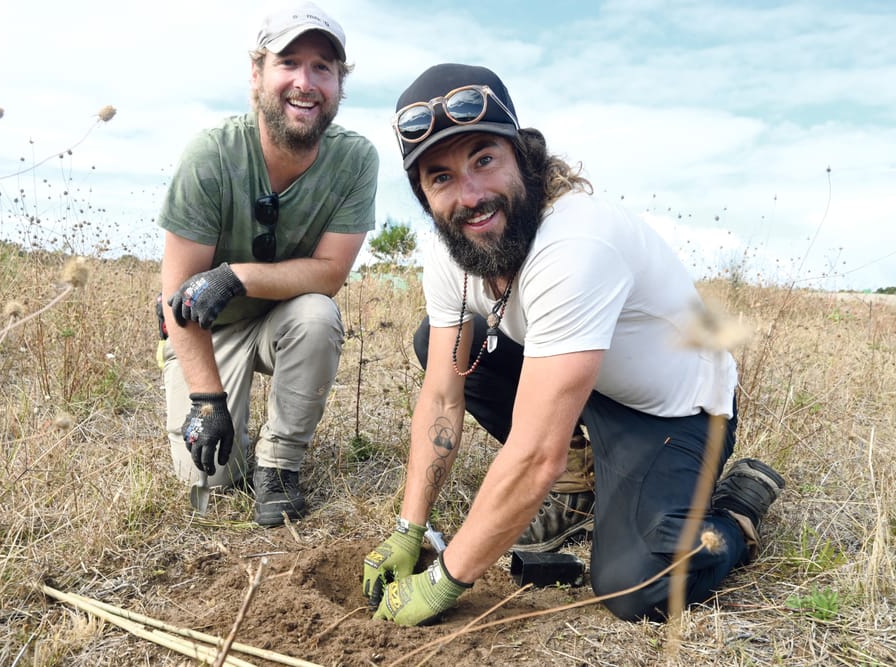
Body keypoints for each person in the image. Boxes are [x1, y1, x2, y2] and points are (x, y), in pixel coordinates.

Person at [362, 63, 784, 625]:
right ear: (422, 194)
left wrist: (445, 579)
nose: (471, 196)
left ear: (522, 156)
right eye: (441, 177)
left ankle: (735, 514)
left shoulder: (575, 242)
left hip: (671, 411)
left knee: (635, 588)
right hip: (581, 383)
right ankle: (583, 481)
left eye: (484, 160)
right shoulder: (450, 251)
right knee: (451, 348)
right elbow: (442, 395)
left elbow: (537, 453)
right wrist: (409, 528)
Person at [158, 2, 378, 527]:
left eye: (322, 67)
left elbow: (330, 273)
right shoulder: (210, 156)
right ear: (256, 74)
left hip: (285, 317)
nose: (306, 82)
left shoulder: (356, 160)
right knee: (211, 480)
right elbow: (178, 298)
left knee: (317, 315)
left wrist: (236, 276)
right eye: (288, 63)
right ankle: (226, 421)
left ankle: (280, 465)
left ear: (339, 85)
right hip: (212, 328)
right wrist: (207, 399)